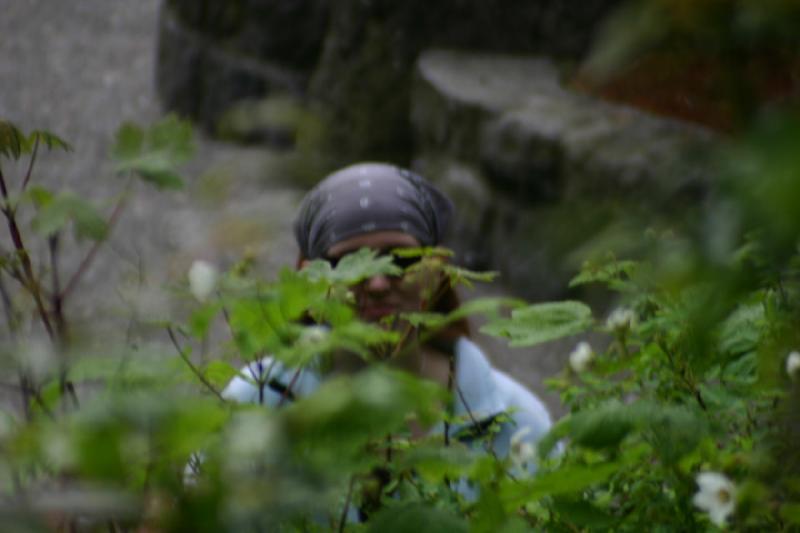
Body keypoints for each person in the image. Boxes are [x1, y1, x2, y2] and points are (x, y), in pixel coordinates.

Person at [222, 162, 553, 467]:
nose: (378, 283)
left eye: (401, 260)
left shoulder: (518, 421)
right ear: (310, 279)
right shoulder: (257, 401)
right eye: (351, 262)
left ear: (436, 270)